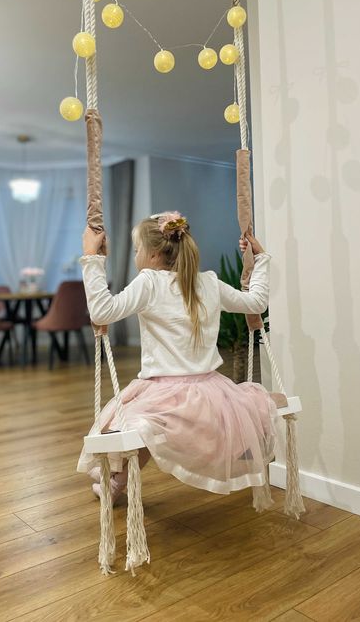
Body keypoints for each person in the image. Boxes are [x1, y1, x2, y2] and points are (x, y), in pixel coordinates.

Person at [77, 211, 282, 504]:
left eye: (137, 250)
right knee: (142, 427)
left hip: (164, 392)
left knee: (133, 425)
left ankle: (114, 481)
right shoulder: (209, 282)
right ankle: (114, 480)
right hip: (211, 393)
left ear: (153, 254)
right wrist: (261, 260)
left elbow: (101, 312)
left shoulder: (149, 282)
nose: (136, 256)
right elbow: (256, 303)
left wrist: (91, 257)